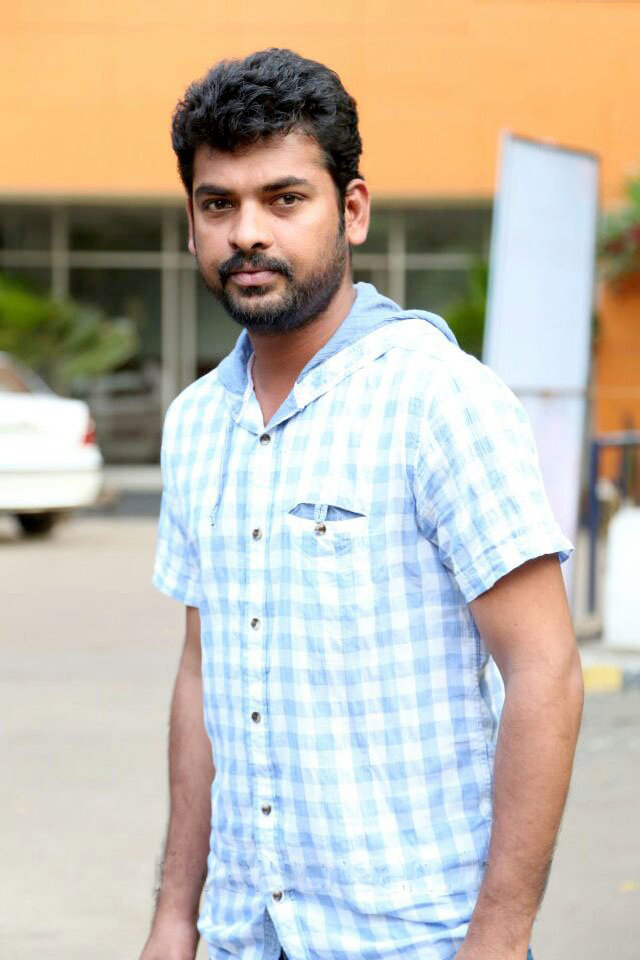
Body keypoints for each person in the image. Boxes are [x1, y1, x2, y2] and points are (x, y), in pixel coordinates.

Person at [141, 48, 583, 960]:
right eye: (218, 204)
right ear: (190, 225)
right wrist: (174, 919)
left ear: (352, 209)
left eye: (284, 198)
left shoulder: (439, 400)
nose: (246, 233)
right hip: (241, 935)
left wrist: (499, 938)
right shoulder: (193, 426)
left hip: (416, 938)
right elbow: (201, 683)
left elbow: (547, 674)